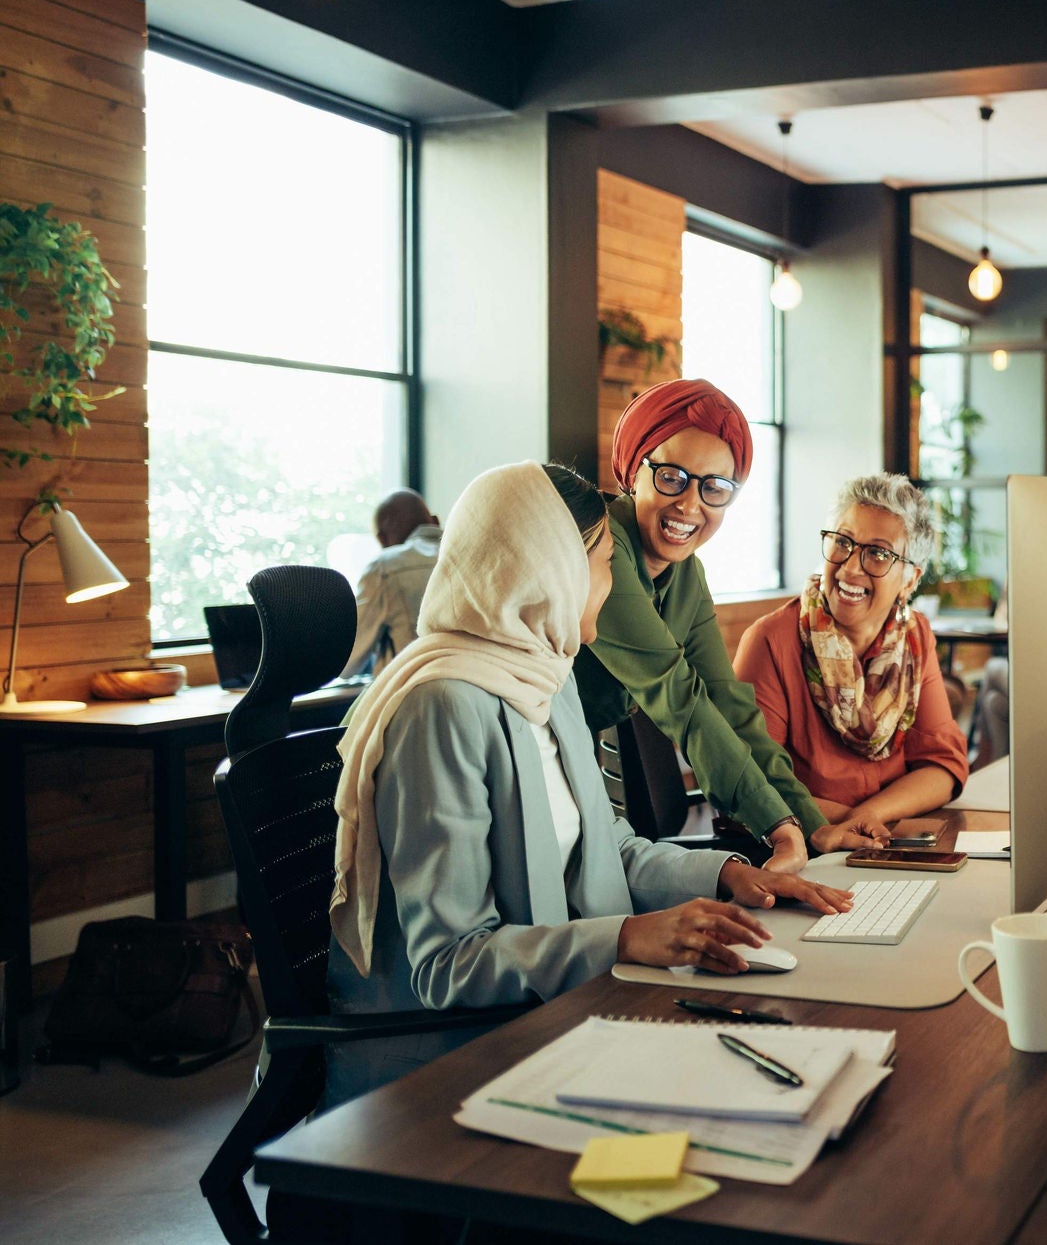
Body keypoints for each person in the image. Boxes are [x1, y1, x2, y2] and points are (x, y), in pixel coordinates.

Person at [325, 461, 849, 1106]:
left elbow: (607, 845)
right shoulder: (445, 707)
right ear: (552, 570)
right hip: (460, 1063)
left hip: (569, 1012)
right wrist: (627, 936)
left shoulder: (547, 676)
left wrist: (728, 875)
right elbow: (449, 964)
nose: (610, 581)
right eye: (603, 562)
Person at [576, 380, 882, 873]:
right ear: (635, 470)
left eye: (714, 487)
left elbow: (728, 704)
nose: (690, 505)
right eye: (672, 476)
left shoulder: (685, 573)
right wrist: (776, 825)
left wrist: (808, 822)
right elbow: (681, 698)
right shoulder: (602, 552)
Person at [733, 475, 969, 840]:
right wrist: (852, 826)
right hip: (799, 847)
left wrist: (869, 816)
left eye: (878, 553)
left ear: (909, 580)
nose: (851, 567)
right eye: (843, 542)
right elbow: (750, 783)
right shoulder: (770, 641)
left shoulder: (914, 637)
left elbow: (943, 765)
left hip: (884, 839)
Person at [344, 489, 441, 676]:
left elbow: (347, 661)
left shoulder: (385, 567)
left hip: (413, 694)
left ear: (381, 539)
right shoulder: (472, 558)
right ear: (435, 521)